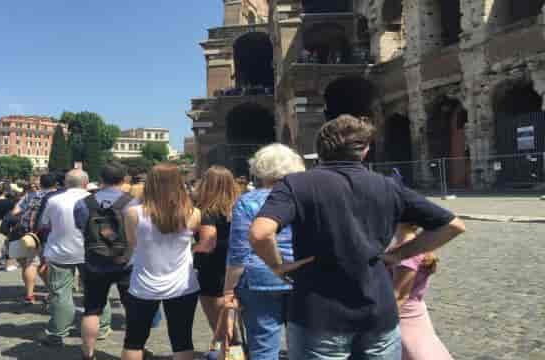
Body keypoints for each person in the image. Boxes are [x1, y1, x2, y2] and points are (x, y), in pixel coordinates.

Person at [249, 115, 466, 360]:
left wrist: (278, 266)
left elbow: (260, 233)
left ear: (320, 150)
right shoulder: (388, 186)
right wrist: (398, 255)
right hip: (378, 311)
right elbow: (453, 226)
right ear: (365, 150)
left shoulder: (296, 184)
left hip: (318, 312)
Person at [222, 144, 305, 360]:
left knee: (262, 346)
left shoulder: (247, 202)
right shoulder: (306, 198)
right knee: (306, 345)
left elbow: (239, 251)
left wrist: (229, 289)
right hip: (302, 274)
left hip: (259, 277)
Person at [121, 163, 201, 360]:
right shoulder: (193, 213)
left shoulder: (134, 213)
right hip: (182, 284)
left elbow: (133, 243)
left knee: (134, 341)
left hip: (144, 283)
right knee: (182, 341)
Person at [74, 160, 140, 360]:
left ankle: (89, 353)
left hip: (94, 261)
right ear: (124, 179)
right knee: (133, 309)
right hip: (126, 261)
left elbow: (80, 228)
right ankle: (133, 350)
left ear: (101, 179)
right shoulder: (133, 202)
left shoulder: (84, 203)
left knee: (92, 310)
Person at [38, 169, 90, 347]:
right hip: (89, 251)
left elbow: (44, 224)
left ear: (66, 183)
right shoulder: (94, 199)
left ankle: (58, 331)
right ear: (86, 183)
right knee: (95, 292)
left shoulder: (54, 200)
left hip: (60, 250)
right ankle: (101, 327)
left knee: (61, 293)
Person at [392, 224, 453, 360]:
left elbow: (400, 295)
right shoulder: (420, 246)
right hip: (417, 309)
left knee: (414, 352)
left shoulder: (406, 252)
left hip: (403, 314)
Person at [193, 166, 240, 335]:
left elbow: (208, 243)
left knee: (219, 319)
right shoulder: (240, 208)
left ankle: (229, 351)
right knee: (232, 316)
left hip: (212, 268)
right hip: (237, 264)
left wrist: (190, 249)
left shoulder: (207, 211)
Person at [11, 174, 57, 305]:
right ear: (56, 184)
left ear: (41, 184)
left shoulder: (30, 195)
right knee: (45, 264)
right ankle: (52, 292)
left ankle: (29, 295)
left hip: (28, 234)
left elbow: (15, 212)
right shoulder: (57, 196)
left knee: (30, 263)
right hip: (47, 234)